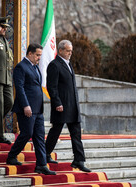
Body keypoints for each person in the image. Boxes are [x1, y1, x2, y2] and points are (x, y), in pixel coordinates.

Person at [6, 44, 56, 175]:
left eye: (40, 55)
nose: (39, 58)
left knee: (39, 137)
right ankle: (12, 155)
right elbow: (20, 88)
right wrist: (25, 105)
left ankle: (41, 164)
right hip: (26, 108)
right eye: (37, 55)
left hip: (38, 109)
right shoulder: (21, 67)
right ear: (30, 54)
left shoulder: (35, 67)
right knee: (27, 134)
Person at [45, 40, 91, 172]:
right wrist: (57, 102)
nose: (70, 53)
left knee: (76, 134)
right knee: (56, 131)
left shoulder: (69, 64)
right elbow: (52, 87)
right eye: (68, 50)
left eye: (71, 51)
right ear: (60, 50)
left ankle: (79, 160)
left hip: (73, 106)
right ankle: (45, 154)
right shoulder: (54, 65)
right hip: (61, 106)